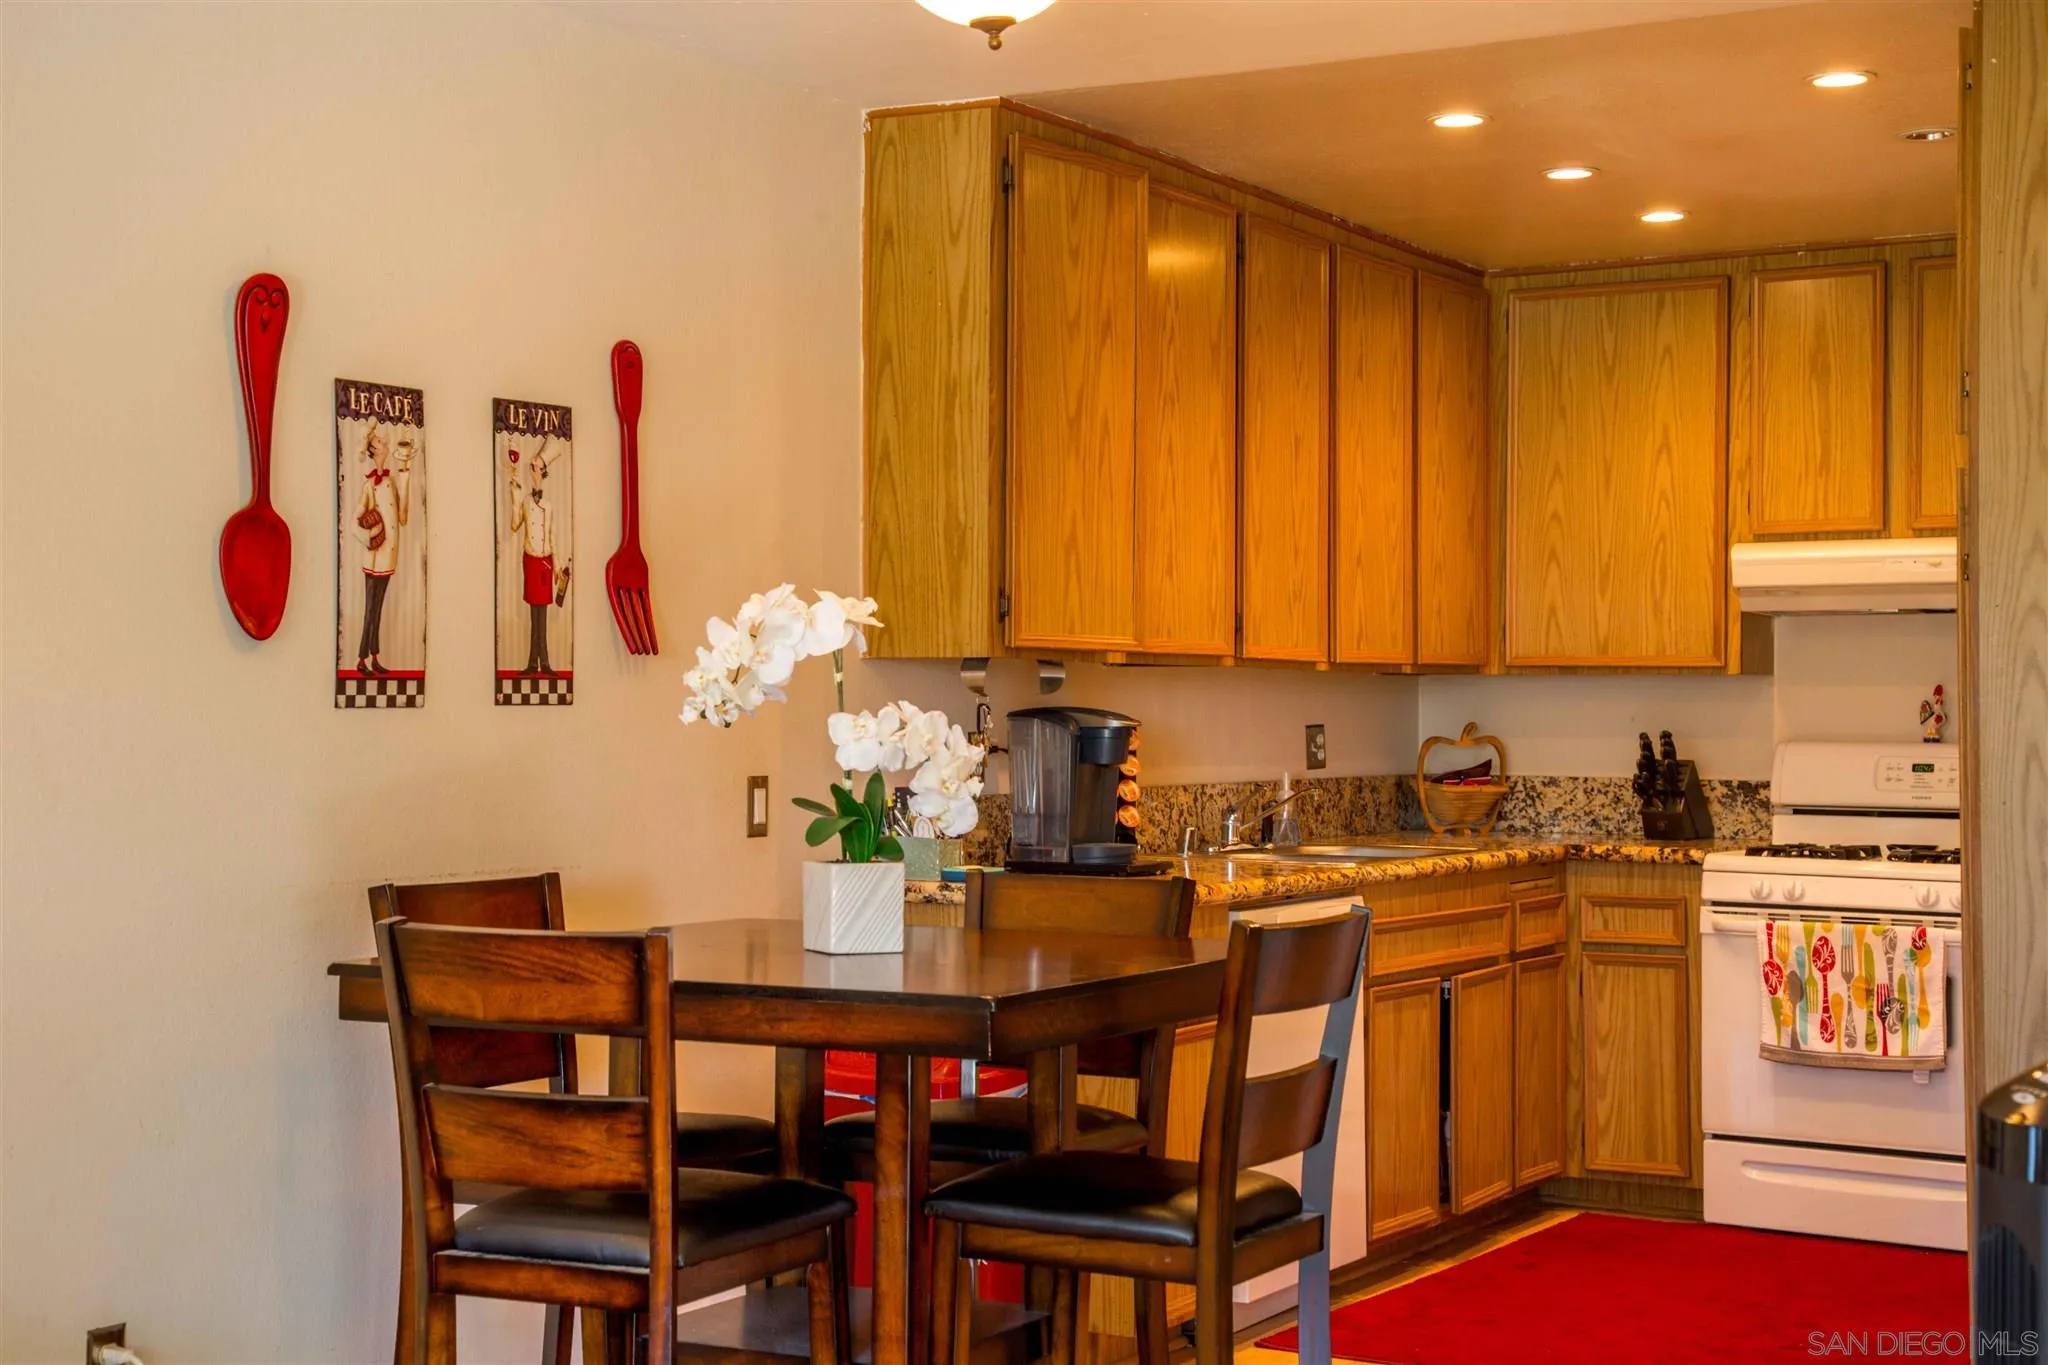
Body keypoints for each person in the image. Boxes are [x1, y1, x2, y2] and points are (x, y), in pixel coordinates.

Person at [353, 424, 415, 675]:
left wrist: (405, 472)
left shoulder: (390, 481)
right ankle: (360, 660)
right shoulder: (369, 486)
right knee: (369, 609)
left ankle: (375, 656)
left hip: (389, 556)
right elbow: (355, 521)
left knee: (378, 609)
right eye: (378, 442)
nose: (383, 443)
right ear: (372, 451)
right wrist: (370, 536)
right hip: (374, 557)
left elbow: (402, 516)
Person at [506, 433, 562, 675]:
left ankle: (545, 663)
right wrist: (515, 496)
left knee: (543, 615)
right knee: (533, 615)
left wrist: (558, 565)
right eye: (532, 467)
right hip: (530, 560)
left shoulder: (549, 506)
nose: (534, 471)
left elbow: (552, 536)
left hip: (545, 563)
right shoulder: (527, 501)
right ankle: (532, 663)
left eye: (538, 468)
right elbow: (515, 524)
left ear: (544, 472)